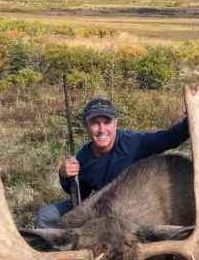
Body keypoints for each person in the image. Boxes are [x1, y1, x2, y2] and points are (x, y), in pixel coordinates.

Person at [35, 97, 189, 228]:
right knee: (45, 217)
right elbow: (81, 197)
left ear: (116, 123)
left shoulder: (132, 142)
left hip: (136, 210)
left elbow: (168, 138)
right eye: (95, 123)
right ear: (85, 125)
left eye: (106, 122)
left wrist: (189, 121)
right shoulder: (83, 157)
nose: (101, 129)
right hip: (103, 208)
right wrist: (65, 176)